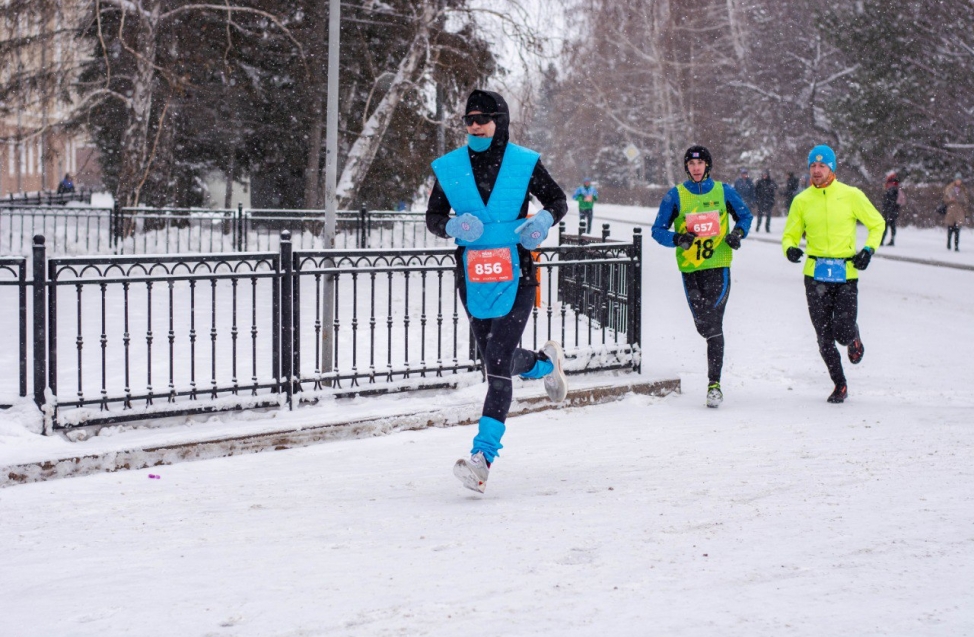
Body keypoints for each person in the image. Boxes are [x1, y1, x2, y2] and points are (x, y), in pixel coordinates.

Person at [426, 89, 569, 493]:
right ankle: (543, 365)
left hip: (517, 271)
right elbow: (433, 216)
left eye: (482, 118)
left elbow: (558, 200)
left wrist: (542, 221)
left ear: (499, 121)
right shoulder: (450, 167)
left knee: (498, 362)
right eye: (469, 119)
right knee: (492, 358)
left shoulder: (524, 162)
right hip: (473, 274)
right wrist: (452, 227)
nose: (474, 125)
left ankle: (482, 458)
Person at [782, 145, 885, 404]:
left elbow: (877, 223)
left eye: (822, 166)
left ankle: (853, 336)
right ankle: (840, 384)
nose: (816, 171)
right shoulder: (802, 200)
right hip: (815, 275)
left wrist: (868, 250)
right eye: (813, 166)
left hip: (845, 274)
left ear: (832, 168)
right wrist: (790, 249)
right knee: (823, 336)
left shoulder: (851, 195)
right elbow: (790, 234)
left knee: (841, 330)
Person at [651, 145, 753, 408]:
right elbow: (657, 230)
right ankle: (713, 380)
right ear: (687, 167)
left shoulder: (724, 191)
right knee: (703, 326)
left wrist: (737, 234)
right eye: (691, 164)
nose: (696, 168)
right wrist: (677, 238)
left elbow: (745, 216)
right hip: (691, 271)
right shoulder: (675, 196)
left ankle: (714, 385)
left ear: (708, 166)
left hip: (719, 265)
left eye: (701, 164)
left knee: (714, 325)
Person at [943, 173, 968, 252]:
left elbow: (966, 201)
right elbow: (945, 200)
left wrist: (965, 212)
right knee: (950, 229)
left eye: (959, 180)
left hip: (959, 211)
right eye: (957, 180)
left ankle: (956, 246)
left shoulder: (963, 190)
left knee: (958, 229)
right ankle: (949, 243)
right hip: (951, 210)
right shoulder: (949, 189)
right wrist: (951, 200)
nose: (958, 181)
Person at [880, 172, 901, 247]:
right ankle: (891, 240)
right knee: (892, 226)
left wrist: (887, 210)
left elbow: (888, 202)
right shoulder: (896, 189)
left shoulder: (891, 190)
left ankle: (882, 240)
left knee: (885, 226)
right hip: (893, 211)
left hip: (889, 211)